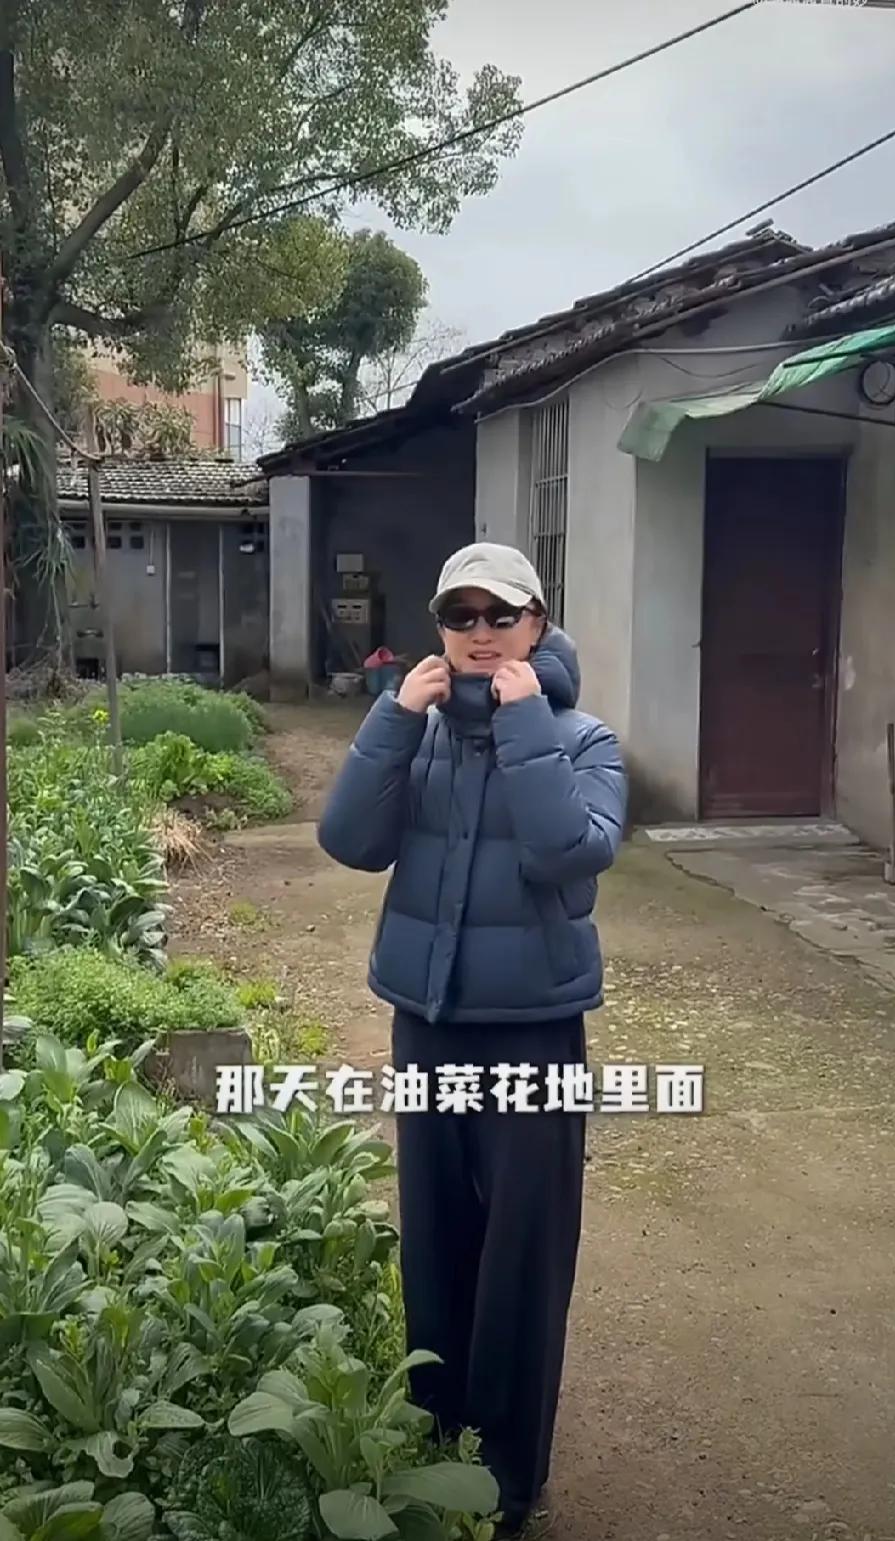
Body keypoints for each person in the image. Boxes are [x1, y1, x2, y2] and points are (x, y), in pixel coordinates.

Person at [318, 542, 628, 1537]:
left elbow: (570, 849)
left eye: (502, 614)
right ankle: (435, 1435)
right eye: (463, 615)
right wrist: (390, 722)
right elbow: (350, 840)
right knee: (437, 1237)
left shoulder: (584, 739)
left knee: (523, 1257)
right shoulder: (419, 735)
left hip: (534, 1032)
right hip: (429, 1022)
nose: (481, 633)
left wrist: (523, 722)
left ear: (537, 622)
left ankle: (507, 1477)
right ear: (440, 627)